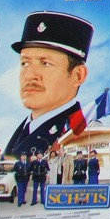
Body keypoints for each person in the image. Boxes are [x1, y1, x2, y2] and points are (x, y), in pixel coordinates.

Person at [5, 11, 93, 158]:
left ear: (78, 75)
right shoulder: (26, 128)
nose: (29, 75)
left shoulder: (75, 133)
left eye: (45, 63)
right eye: (25, 63)